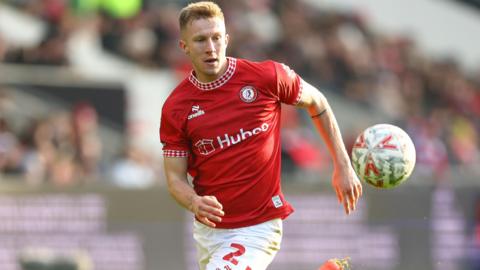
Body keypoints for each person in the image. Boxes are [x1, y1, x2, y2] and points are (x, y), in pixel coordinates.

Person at [159, 2, 362, 270]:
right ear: (184, 47)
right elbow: (174, 178)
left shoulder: (266, 77)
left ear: (227, 39)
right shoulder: (176, 107)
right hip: (209, 232)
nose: (210, 47)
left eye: (216, 38)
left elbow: (317, 101)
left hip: (258, 226)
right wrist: (194, 201)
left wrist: (343, 164)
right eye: (200, 40)